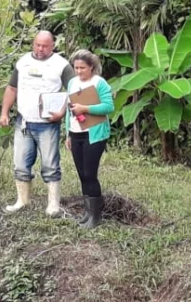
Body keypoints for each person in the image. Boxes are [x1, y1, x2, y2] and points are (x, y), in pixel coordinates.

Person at [0, 30, 76, 217]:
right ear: (33, 44)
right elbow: (11, 88)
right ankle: (22, 200)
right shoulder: (23, 62)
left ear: (53, 46)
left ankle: (53, 204)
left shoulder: (61, 65)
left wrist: (62, 113)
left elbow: (75, 91)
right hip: (23, 121)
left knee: (50, 164)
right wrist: (4, 113)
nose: (40, 49)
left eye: (45, 46)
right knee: (20, 163)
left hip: (48, 124)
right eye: (37, 45)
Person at [64, 49, 114, 229]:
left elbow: (108, 107)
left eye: (82, 68)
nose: (78, 71)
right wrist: (67, 133)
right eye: (76, 67)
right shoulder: (71, 83)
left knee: (90, 173)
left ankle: (96, 215)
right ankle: (87, 212)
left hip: (94, 133)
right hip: (76, 132)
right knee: (81, 174)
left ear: (91, 67)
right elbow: (69, 110)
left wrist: (85, 108)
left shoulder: (99, 83)